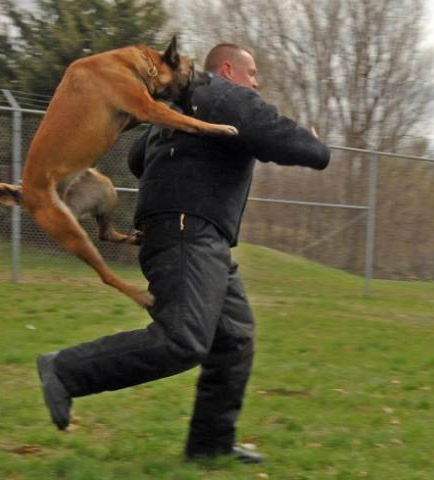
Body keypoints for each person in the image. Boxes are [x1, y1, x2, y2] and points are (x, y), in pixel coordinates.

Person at [36, 43, 330, 464]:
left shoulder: (181, 108)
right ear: (227, 69)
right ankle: (66, 369)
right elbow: (275, 135)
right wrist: (316, 147)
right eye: (252, 73)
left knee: (234, 338)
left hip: (193, 234)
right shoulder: (224, 95)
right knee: (182, 339)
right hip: (187, 232)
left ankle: (210, 446)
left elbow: (139, 159)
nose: (256, 82)